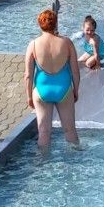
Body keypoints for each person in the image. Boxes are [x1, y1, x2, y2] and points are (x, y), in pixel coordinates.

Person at [24, 9, 81, 151]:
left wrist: (28, 96)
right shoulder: (67, 43)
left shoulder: (33, 44)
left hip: (42, 90)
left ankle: (42, 165)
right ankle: (77, 161)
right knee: (70, 131)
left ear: (40, 25)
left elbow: (28, 75)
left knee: (44, 132)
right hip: (64, 88)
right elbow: (75, 70)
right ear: (55, 24)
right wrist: (76, 90)